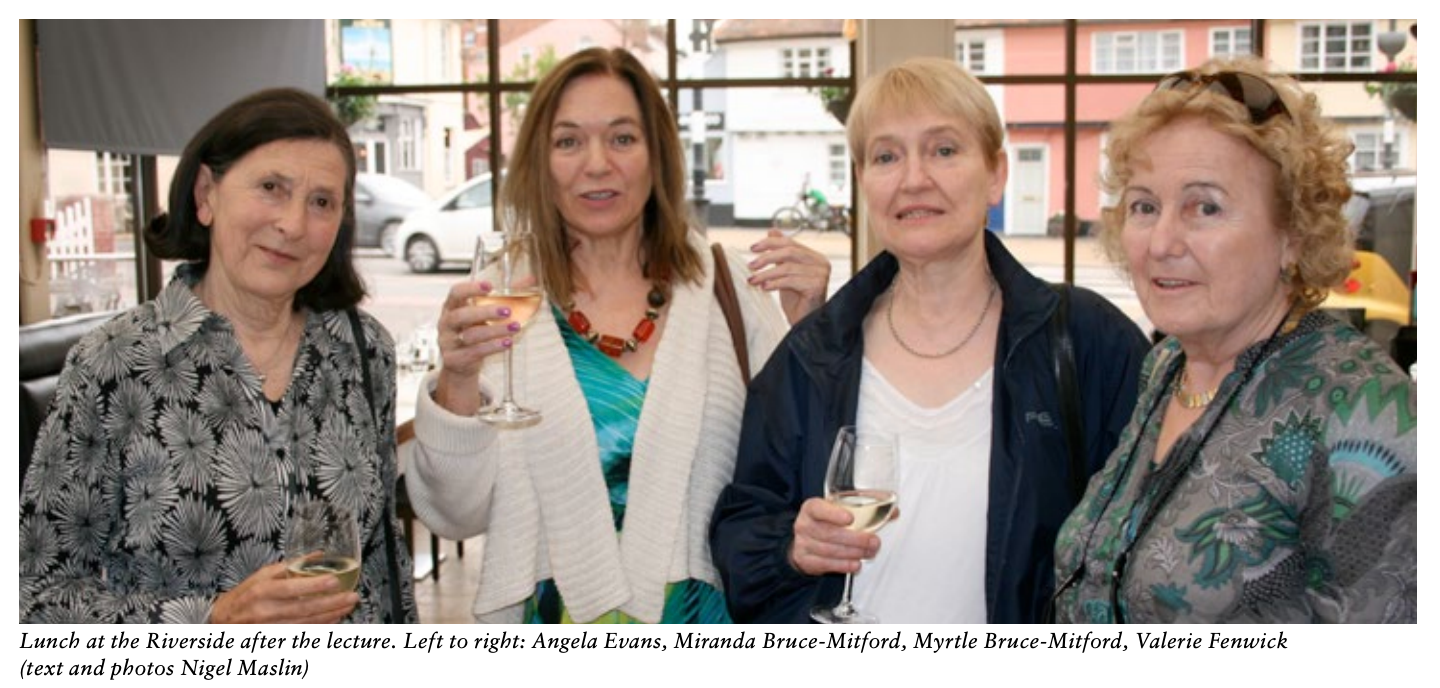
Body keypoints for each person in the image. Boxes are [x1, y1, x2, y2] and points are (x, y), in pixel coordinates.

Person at [709, 57, 1149, 624]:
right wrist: (791, 550)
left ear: (995, 173)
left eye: (943, 150)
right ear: (864, 181)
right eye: (886, 156)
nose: (914, 179)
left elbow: (1150, 545)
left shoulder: (1086, 342)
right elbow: (742, 528)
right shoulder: (813, 354)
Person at [404, 47, 831, 624]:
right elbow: (455, 515)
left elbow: (802, 469)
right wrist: (457, 379)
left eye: (623, 138)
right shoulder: (501, 300)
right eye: (568, 141)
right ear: (540, 162)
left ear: (657, 156)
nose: (597, 164)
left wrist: (811, 332)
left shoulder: (729, 289)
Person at [19, 88, 417, 624]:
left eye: (322, 202)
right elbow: (34, 594)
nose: (294, 224)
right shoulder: (113, 364)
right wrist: (213, 619)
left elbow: (384, 564)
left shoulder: (363, 350)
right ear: (206, 194)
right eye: (271, 188)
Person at [1052, 58, 1417, 623]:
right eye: (1145, 206)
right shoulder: (1168, 365)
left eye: (1205, 207)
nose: (1161, 242)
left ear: (1292, 235)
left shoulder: (1369, 414)